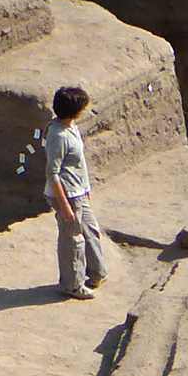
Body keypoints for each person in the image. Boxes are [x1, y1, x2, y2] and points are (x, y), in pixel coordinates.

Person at [43, 85, 107, 298]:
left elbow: (80, 164)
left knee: (90, 230)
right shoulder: (59, 136)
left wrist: (86, 186)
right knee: (73, 241)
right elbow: (53, 174)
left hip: (78, 191)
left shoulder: (71, 128)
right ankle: (72, 284)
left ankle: (96, 272)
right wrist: (64, 206)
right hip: (67, 195)